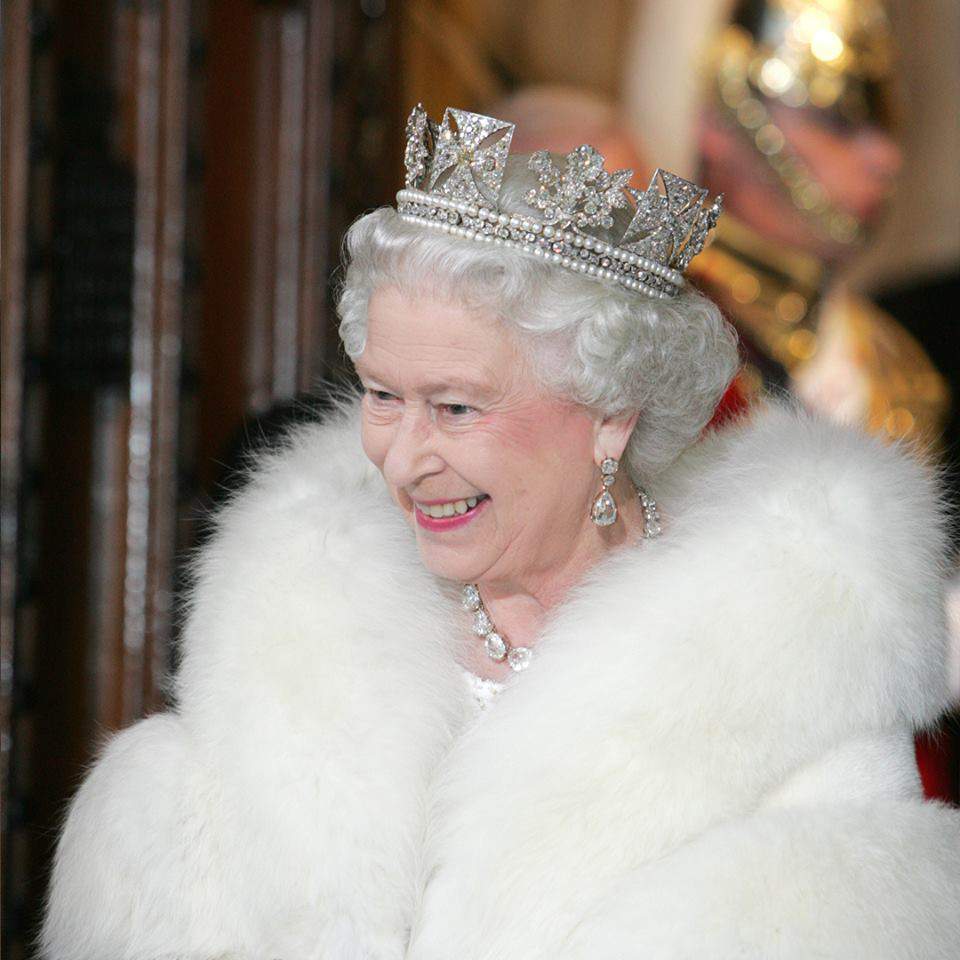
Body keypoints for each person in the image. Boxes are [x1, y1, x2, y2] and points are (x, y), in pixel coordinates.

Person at [42, 104, 960, 959]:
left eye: (455, 408)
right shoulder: (292, 636)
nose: (404, 459)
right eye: (382, 396)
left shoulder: (786, 672)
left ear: (611, 413)